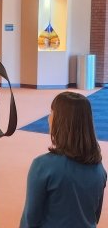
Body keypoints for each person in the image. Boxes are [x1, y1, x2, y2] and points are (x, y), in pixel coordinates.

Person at [20, 91, 107, 228]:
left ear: (59, 121)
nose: (49, 117)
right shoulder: (99, 170)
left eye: (51, 112)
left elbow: (30, 220)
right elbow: (94, 217)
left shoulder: (42, 166)